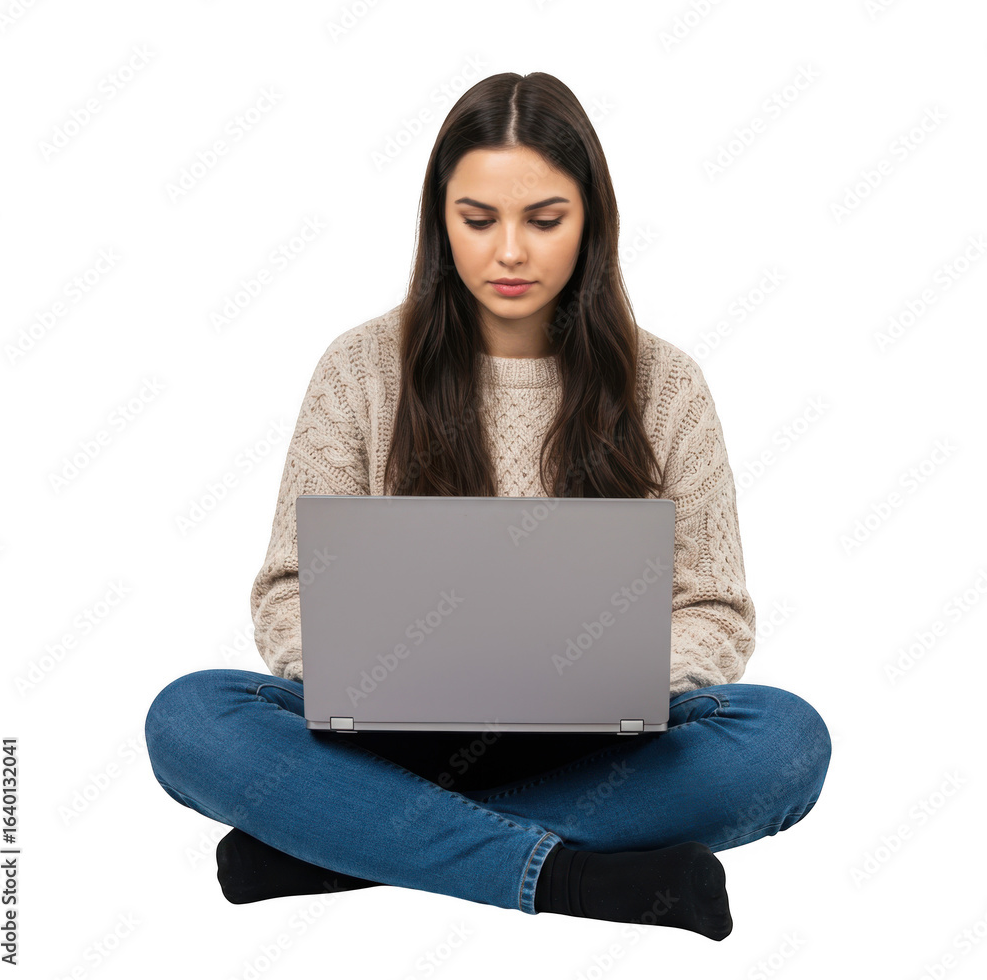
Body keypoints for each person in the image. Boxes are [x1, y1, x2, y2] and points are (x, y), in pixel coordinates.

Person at [143, 71, 831, 941]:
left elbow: (715, 610)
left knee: (786, 743)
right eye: (478, 220)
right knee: (190, 717)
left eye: (544, 220)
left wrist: (595, 680)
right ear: (439, 222)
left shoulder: (667, 385)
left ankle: (337, 845)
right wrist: (377, 672)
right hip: (390, 731)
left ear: (592, 222)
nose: (511, 252)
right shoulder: (359, 369)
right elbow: (287, 592)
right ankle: (573, 877)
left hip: (601, 742)